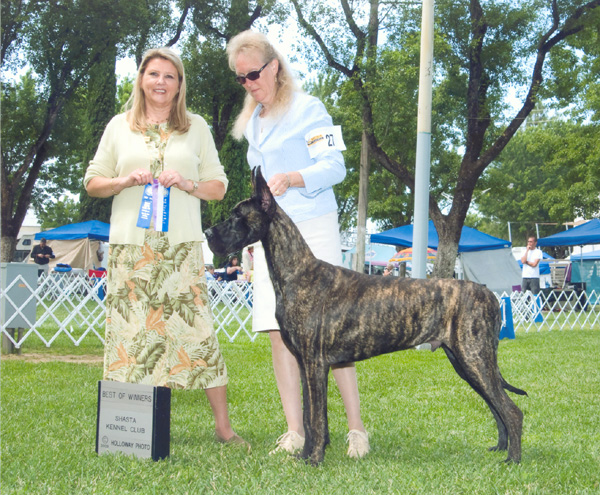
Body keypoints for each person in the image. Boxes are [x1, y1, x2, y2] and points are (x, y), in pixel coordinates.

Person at [84, 47, 248, 449]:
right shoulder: (118, 127)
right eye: (154, 74)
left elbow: (219, 186)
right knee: (131, 336)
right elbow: (93, 181)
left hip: (180, 249)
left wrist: (189, 184)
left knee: (198, 333)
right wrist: (122, 182)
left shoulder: (197, 128)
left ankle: (224, 428)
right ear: (141, 79)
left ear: (179, 85)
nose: (160, 82)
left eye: (169, 76)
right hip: (131, 249)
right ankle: (129, 431)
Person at [226, 30, 369, 458]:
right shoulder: (251, 122)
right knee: (277, 332)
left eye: (253, 74)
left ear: (274, 67)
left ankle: (356, 429)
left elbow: (335, 167)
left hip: (314, 226)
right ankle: (296, 431)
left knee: (332, 333)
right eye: (240, 79)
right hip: (273, 242)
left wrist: (293, 178)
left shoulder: (310, 109)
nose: (249, 84)